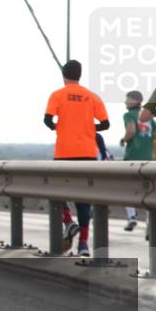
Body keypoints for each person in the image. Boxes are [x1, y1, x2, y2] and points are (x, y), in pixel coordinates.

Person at [44, 60, 109, 257]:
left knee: (56, 191)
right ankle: (83, 244)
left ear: (64, 75)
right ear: (80, 75)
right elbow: (105, 124)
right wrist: (89, 129)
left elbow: (47, 120)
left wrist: (60, 127)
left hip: (64, 152)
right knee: (84, 200)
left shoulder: (57, 95)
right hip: (88, 154)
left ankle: (68, 222)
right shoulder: (92, 97)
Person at [119, 90, 155, 231]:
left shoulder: (129, 115)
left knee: (128, 188)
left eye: (127, 99)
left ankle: (132, 217)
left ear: (134, 101)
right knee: (148, 190)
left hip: (133, 157)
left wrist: (123, 139)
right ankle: (149, 222)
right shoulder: (149, 117)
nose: (125, 102)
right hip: (149, 158)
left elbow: (131, 131)